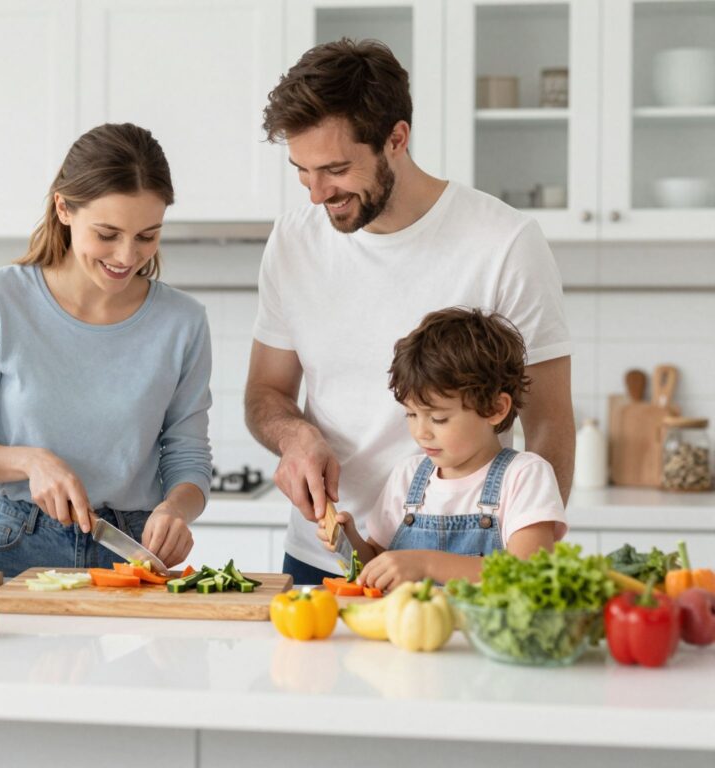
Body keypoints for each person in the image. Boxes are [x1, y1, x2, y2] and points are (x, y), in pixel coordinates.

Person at [245, 38, 574, 584]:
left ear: (396, 138)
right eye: (302, 171)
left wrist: (523, 573)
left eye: (335, 169)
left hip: (473, 569)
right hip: (328, 558)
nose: (316, 195)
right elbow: (266, 393)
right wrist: (295, 437)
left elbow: (551, 421)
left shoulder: (504, 242)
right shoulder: (293, 239)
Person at [0, 123, 212, 578]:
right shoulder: (0, 297)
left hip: (134, 550)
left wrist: (177, 510)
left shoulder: (182, 322)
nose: (126, 255)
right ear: (63, 207)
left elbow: (188, 457)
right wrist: (31, 461)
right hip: (20, 544)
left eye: (147, 236)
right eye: (107, 234)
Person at [316, 308, 567, 591]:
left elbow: (527, 573)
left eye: (438, 418)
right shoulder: (408, 476)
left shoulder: (524, 476)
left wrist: (426, 563)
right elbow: (379, 561)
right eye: (411, 415)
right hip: (410, 634)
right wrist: (351, 544)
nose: (421, 432)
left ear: (495, 409)